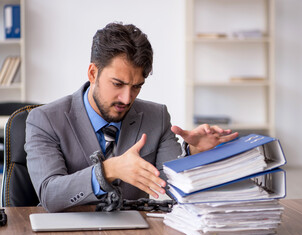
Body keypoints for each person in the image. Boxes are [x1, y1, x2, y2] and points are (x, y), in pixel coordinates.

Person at [25, 22, 238, 213]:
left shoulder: (157, 117)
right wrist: (108, 170)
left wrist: (195, 154)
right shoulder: (45, 120)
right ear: (92, 74)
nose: (127, 99)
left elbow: (173, 186)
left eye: (136, 87)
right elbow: (49, 195)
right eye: (117, 84)